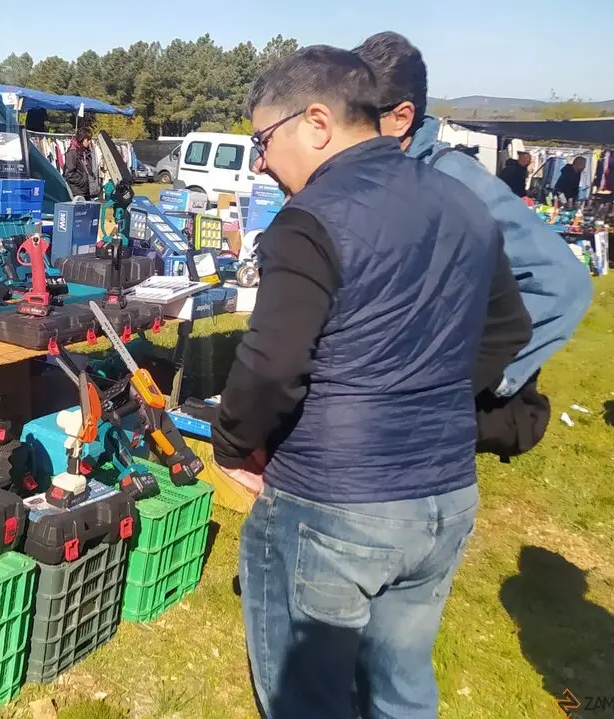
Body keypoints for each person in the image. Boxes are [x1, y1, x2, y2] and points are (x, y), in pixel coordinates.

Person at [211, 45, 531, 719]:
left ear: (318, 123)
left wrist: (235, 444)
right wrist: (432, 392)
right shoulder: (464, 203)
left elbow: (270, 366)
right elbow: (507, 331)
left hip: (335, 504)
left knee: (309, 701)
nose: (262, 161)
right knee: (402, 689)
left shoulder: (309, 219)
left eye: (264, 140)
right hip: (443, 498)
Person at [354, 31, 593, 461]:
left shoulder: (455, 181)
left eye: (357, 116)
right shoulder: (377, 176)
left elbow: (562, 283)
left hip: (421, 425)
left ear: (401, 118)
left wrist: (469, 377)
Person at [63, 127, 99, 200]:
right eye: (87, 139)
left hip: (86, 190)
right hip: (77, 191)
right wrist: (83, 181)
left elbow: (89, 170)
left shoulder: (86, 152)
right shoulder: (72, 152)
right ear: (82, 138)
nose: (89, 142)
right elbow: (69, 174)